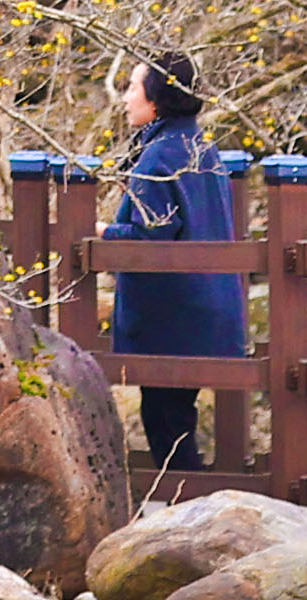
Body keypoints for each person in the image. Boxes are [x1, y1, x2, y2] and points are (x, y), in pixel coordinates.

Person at [100, 49, 245, 473]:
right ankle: (189, 509)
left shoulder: (161, 155)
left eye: (132, 88)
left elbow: (154, 234)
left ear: (157, 99)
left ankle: (187, 515)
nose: (125, 98)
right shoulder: (198, 146)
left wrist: (105, 232)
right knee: (174, 418)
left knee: (167, 424)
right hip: (204, 309)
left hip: (173, 317)